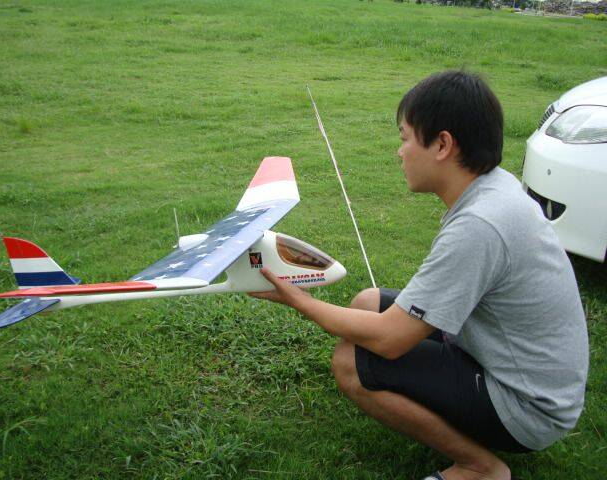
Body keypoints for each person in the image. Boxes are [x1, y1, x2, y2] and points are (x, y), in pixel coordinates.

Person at [250, 70, 589, 480]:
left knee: (350, 362)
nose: (400, 152)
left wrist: (298, 299)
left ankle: (479, 467)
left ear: (442, 144)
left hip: (528, 406)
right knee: (366, 302)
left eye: (406, 138)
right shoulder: (494, 188)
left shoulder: (480, 224)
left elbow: (390, 340)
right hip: (509, 361)